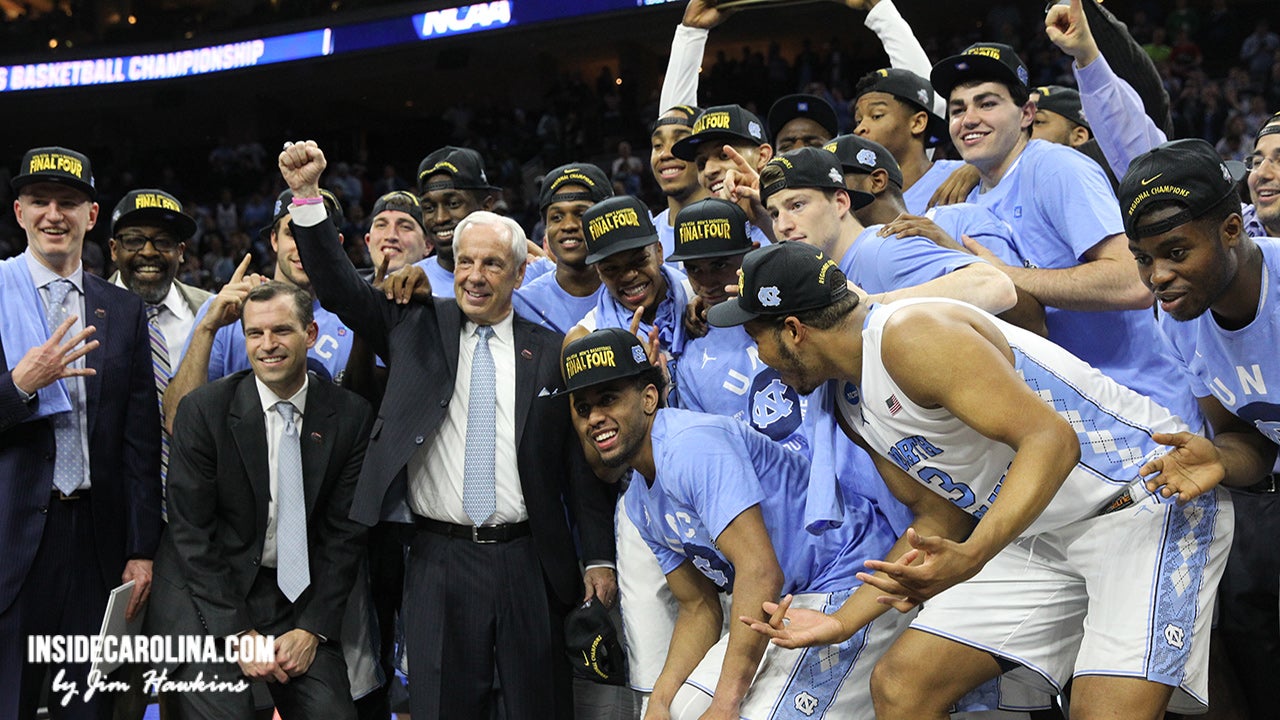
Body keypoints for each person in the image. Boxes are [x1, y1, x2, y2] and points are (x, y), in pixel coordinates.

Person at [712, 242, 1232, 718]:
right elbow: (942, 513)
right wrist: (844, 621)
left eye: (754, 336)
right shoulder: (848, 398)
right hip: (1038, 531)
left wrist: (976, 554)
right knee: (901, 686)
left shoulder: (911, 335)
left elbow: (1052, 441)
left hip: (1144, 499)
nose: (757, 356)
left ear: (794, 329)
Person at [279, 140, 617, 719]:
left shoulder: (553, 351)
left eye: (492, 265)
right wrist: (307, 196)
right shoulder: (413, 324)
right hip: (438, 557)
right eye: (465, 262)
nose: (476, 277)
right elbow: (336, 289)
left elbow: (575, 468)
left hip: (530, 559)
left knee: (538, 708)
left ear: (518, 274)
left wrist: (598, 558)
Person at [564, 327, 908, 719]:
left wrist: (726, 704)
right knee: (680, 710)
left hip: (849, 577)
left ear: (648, 397)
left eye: (608, 400)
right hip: (785, 603)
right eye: (582, 408)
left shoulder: (690, 446)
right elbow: (697, 607)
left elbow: (760, 572)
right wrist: (658, 702)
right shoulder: (640, 500)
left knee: (743, 714)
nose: (595, 418)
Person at [929, 41, 1203, 429]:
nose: (969, 118)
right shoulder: (967, 194)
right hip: (1067, 418)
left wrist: (1006, 277)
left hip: (1137, 409)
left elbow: (1133, 283)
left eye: (987, 104)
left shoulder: (1056, 167)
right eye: (958, 110)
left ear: (1026, 114)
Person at [146, 281, 373, 718]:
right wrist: (237, 631)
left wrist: (312, 629)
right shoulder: (204, 410)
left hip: (291, 598)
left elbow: (344, 536)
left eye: (281, 331)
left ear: (309, 334)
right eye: (255, 334)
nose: (267, 346)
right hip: (204, 595)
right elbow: (191, 535)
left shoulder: (349, 416)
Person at [1121, 138, 1280, 720]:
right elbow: (1253, 439)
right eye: (1142, 257)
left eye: (1176, 251)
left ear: (1233, 229)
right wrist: (1218, 459)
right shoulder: (1179, 317)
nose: (1157, 276)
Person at [0, 146, 161, 719]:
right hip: (10, 540)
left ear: (92, 216)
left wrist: (142, 551)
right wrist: (19, 386)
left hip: (98, 546)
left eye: (68, 202)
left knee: (88, 710)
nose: (53, 214)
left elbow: (140, 445)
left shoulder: (122, 309)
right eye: (39, 201)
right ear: (18, 211)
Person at [106, 187, 210, 720]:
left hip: (197, 528)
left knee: (193, 684)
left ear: (182, 253)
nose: (149, 251)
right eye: (135, 240)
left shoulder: (213, 312)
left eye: (163, 242)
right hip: (113, 526)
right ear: (112, 248)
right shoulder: (88, 309)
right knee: (118, 685)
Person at [163, 189, 355, 433]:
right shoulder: (226, 312)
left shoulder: (353, 319)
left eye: (318, 234)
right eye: (293, 233)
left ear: (337, 243)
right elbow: (177, 421)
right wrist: (208, 328)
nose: (305, 247)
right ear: (274, 240)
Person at [512, 163, 614, 334]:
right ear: (545, 228)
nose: (568, 226)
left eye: (582, 215)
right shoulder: (523, 305)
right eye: (556, 217)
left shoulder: (630, 292)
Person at [414, 146, 501, 296]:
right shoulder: (409, 286)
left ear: (486, 207)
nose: (440, 218)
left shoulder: (526, 278)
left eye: (453, 203)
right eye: (429, 207)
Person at [363, 189, 430, 278]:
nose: (391, 236)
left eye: (405, 227)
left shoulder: (451, 290)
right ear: (368, 241)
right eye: (381, 225)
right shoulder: (346, 289)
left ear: (427, 245)